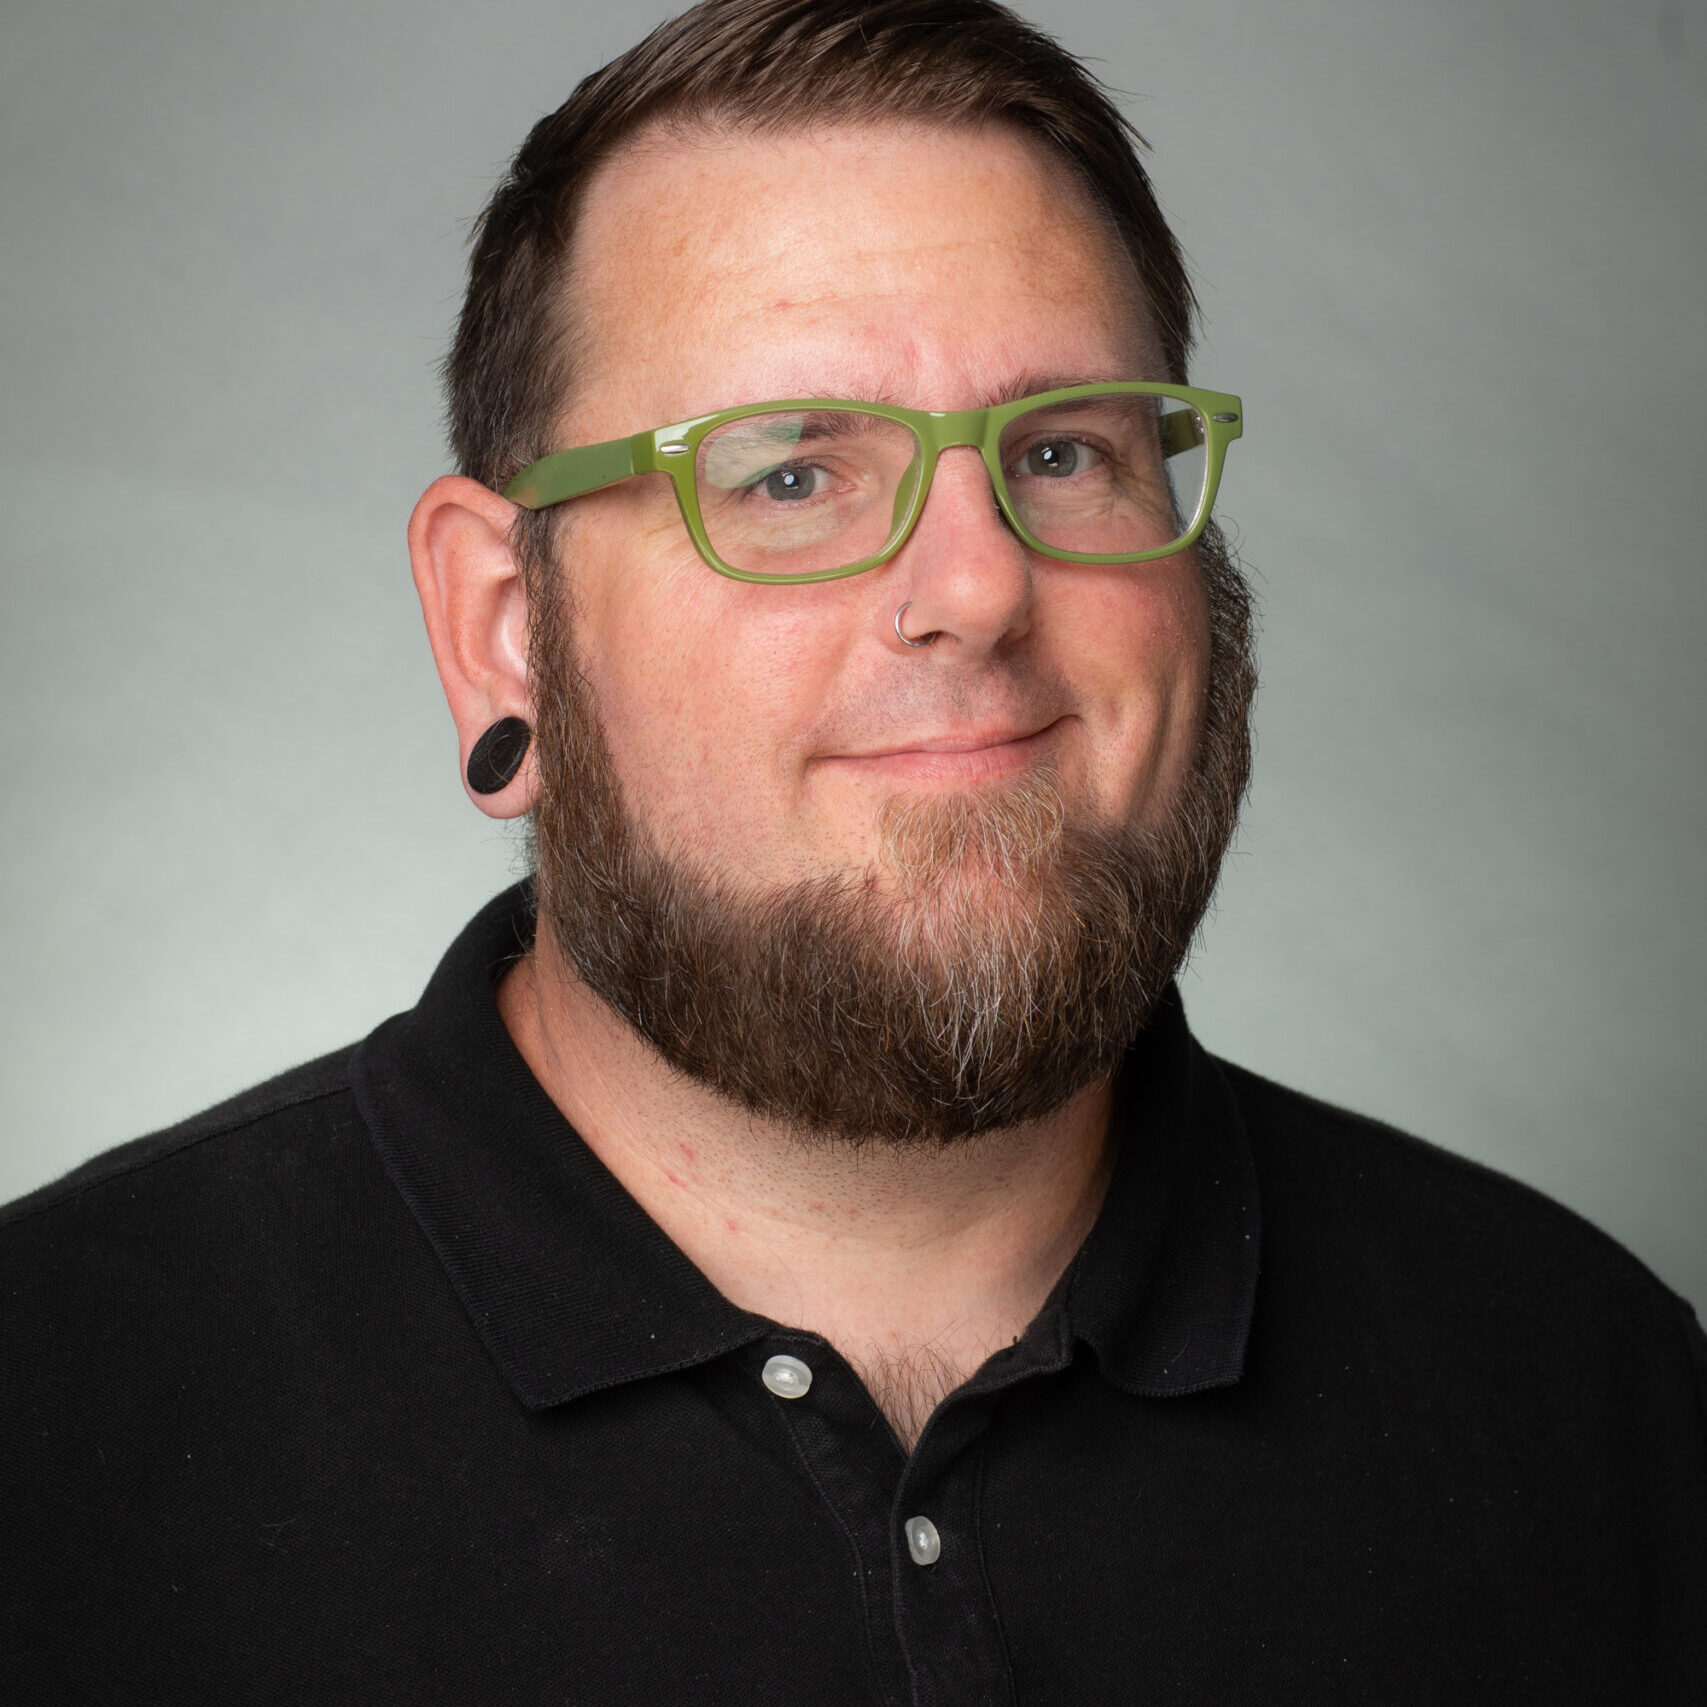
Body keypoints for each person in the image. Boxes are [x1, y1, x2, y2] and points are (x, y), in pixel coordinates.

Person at [3, 0, 1703, 1699]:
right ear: (506, 628)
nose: (973, 591)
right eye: (792, 475)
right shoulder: (63, 1413)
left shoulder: (1588, 1395)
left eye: (1062, 452)